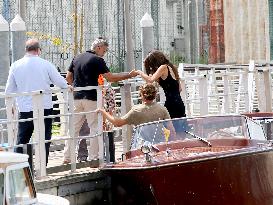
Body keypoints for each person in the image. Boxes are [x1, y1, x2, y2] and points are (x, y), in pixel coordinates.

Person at [64, 37, 138, 163]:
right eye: (105, 50)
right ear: (98, 47)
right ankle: (94, 158)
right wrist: (129, 75)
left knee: (73, 129)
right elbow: (110, 78)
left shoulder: (77, 57)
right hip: (92, 98)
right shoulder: (98, 60)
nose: (105, 52)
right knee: (95, 128)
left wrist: (76, 88)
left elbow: (68, 76)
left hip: (76, 98)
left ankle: (67, 158)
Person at [5, 38, 69, 165]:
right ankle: (42, 165)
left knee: (22, 139)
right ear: (38, 50)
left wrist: (11, 104)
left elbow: (9, 90)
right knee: (44, 138)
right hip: (44, 107)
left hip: (24, 108)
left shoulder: (16, 65)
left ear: (26, 50)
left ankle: (19, 166)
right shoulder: (46, 64)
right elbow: (61, 83)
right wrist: (68, 87)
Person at [137, 50, 186, 119]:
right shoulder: (171, 68)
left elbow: (150, 80)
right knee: (179, 128)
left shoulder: (163, 67)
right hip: (179, 103)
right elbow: (179, 89)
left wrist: (139, 72)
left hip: (171, 105)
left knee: (168, 128)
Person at [96, 83, 170, 127]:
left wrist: (103, 112)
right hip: (159, 144)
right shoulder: (162, 109)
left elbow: (117, 123)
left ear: (141, 95)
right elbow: (172, 131)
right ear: (155, 95)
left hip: (142, 146)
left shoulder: (136, 110)